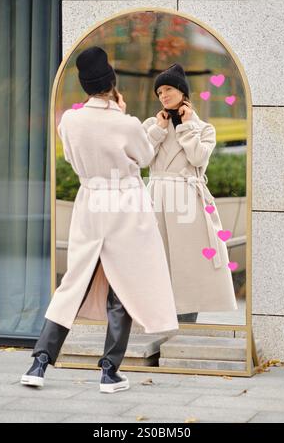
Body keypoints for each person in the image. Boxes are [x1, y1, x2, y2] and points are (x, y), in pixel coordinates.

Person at [20, 47, 179, 394]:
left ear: (86, 87)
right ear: (112, 83)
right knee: (122, 287)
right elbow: (145, 155)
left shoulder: (70, 122)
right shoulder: (127, 124)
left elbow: (73, 159)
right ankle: (109, 371)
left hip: (90, 203)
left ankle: (39, 363)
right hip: (125, 206)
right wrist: (131, 120)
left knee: (73, 283)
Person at [142, 63, 238, 322]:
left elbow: (197, 159)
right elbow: (141, 159)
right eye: (159, 91)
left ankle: (186, 323)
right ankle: (158, 322)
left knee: (188, 264)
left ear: (183, 92)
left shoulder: (204, 128)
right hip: (158, 198)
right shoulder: (152, 124)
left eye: (168, 89)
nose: (163, 95)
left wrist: (184, 127)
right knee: (156, 261)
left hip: (187, 199)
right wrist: (159, 131)